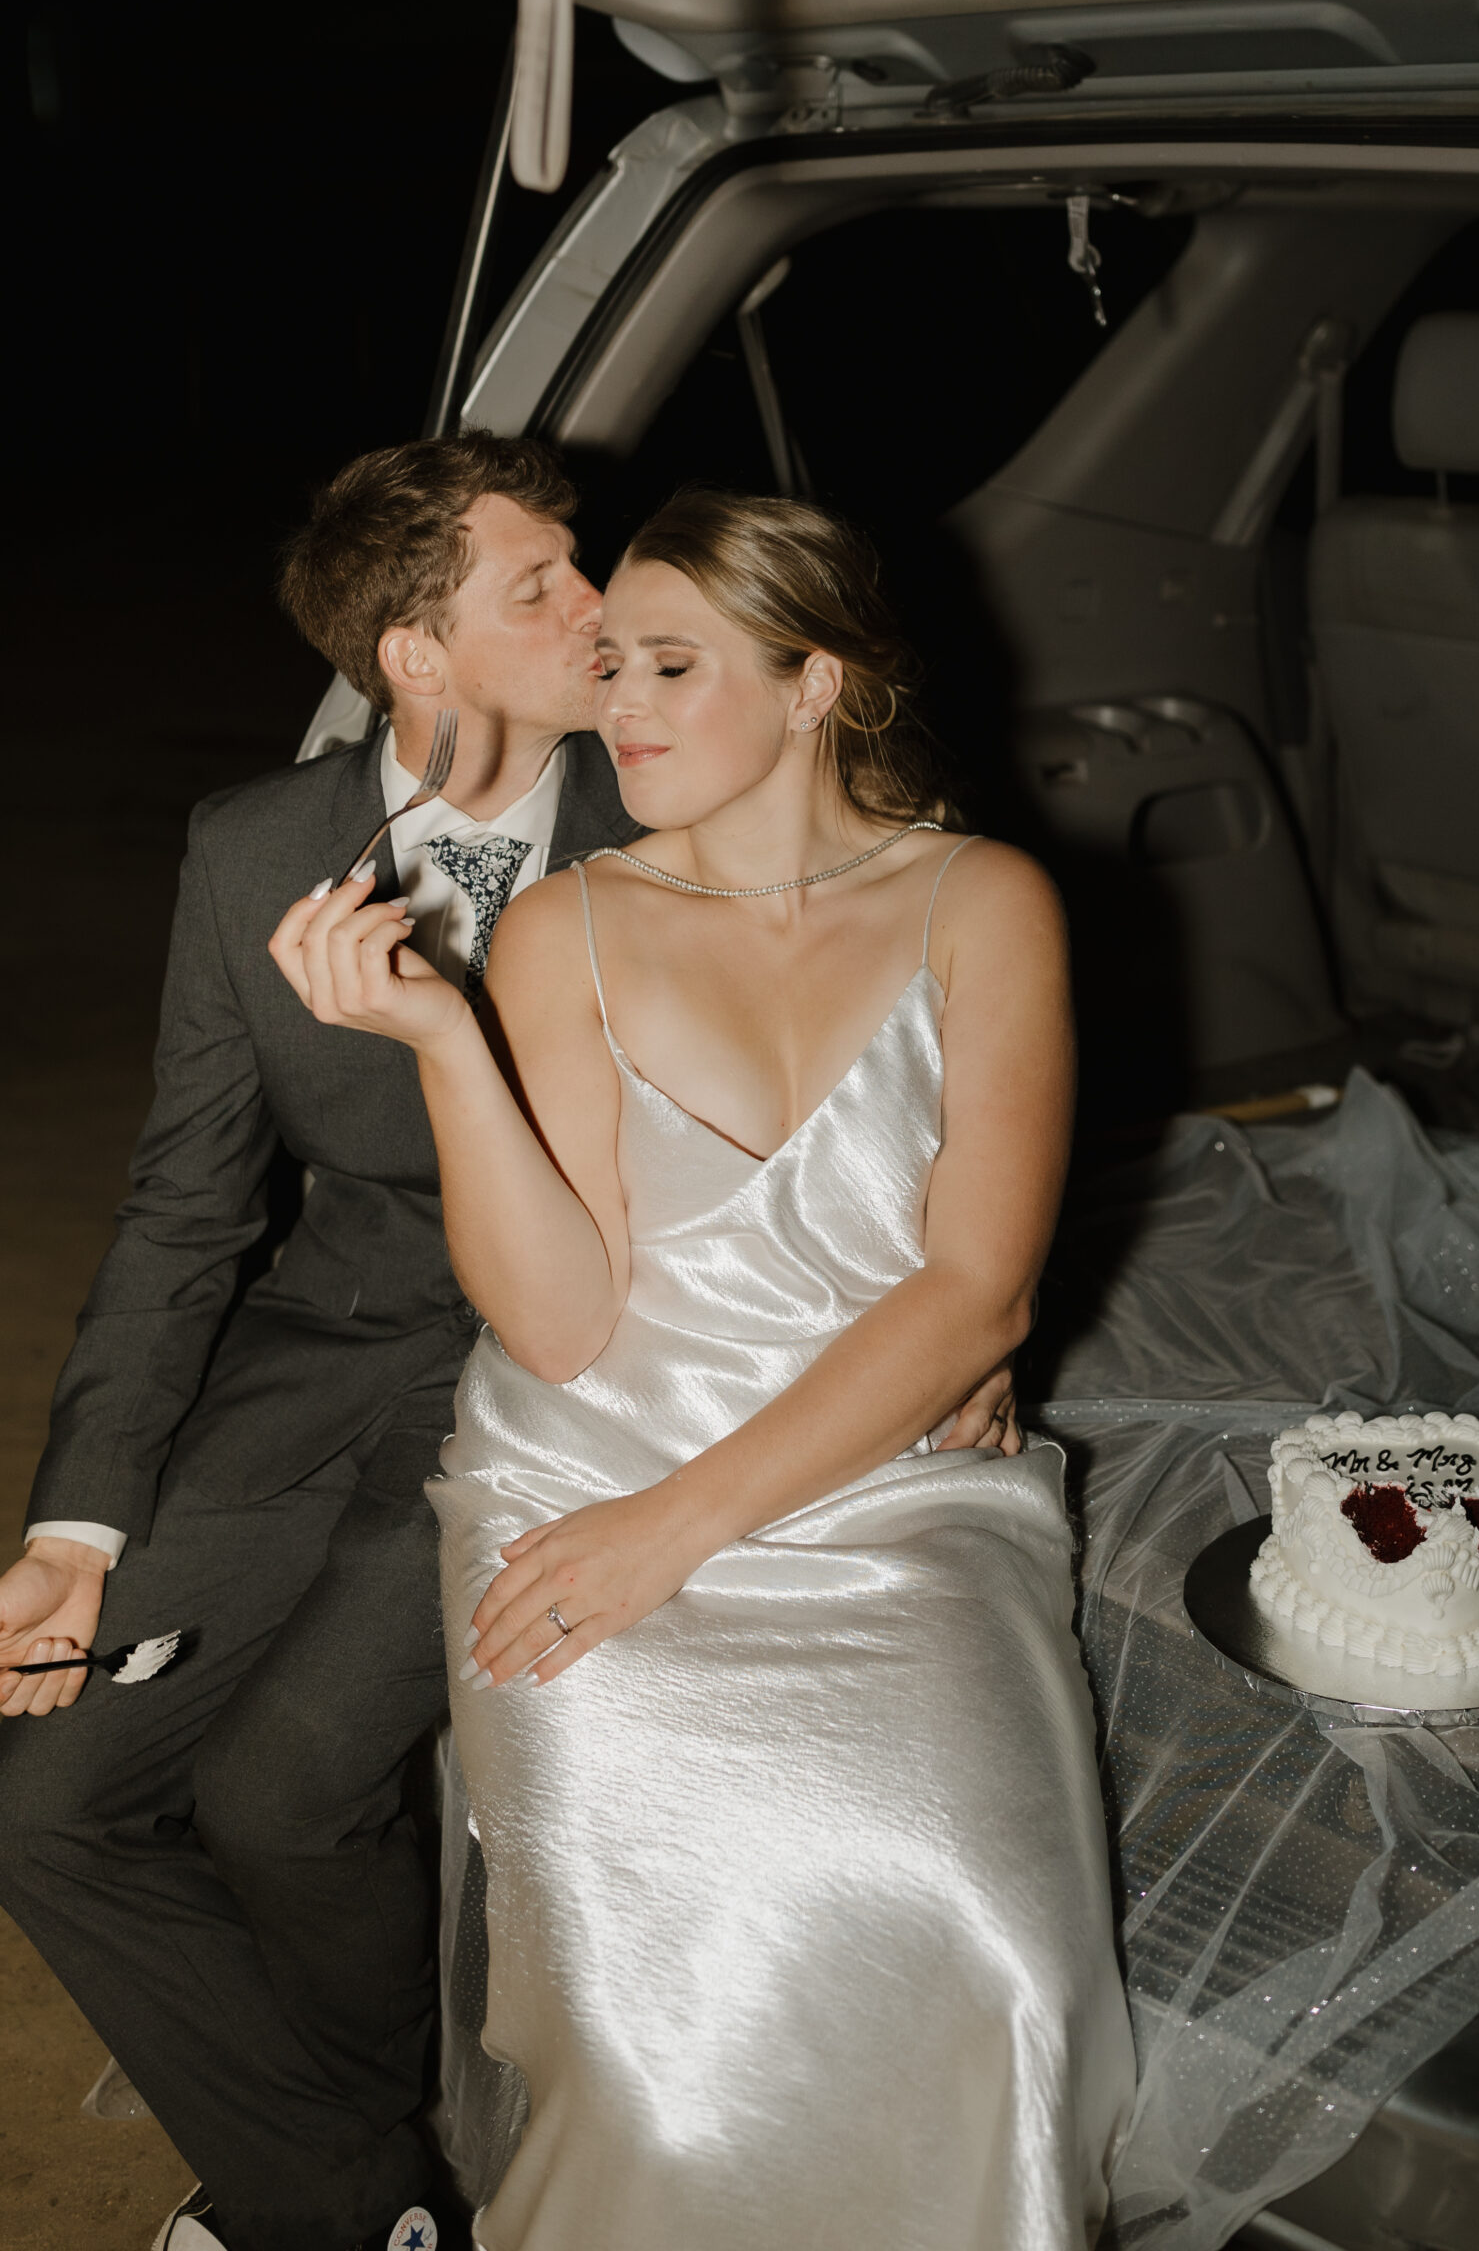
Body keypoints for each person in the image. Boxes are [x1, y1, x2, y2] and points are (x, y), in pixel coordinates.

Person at [0, 434, 1015, 2251]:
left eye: (592, 574)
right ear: (414, 651)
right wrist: (71, 1531)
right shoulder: (251, 857)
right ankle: (360, 2192)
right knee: (46, 1805)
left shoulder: (691, 795)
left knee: (287, 1786)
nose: (597, 609)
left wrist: (945, 1322)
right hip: (324, 1364)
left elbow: (865, 1067)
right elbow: (184, 1211)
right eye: (539, 587)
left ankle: (338, 2198)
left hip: (591, 1379)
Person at [270, 487, 1137, 2251]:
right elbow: (564, 1321)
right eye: (608, 667)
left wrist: (678, 1530)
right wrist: (444, 1038)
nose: (623, 707)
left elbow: (974, 1301)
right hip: (577, 1482)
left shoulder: (985, 904)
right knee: (651, 2049)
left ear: (818, 683)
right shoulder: (562, 926)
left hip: (886, 1490)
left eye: (671, 666)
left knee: (993, 1954)